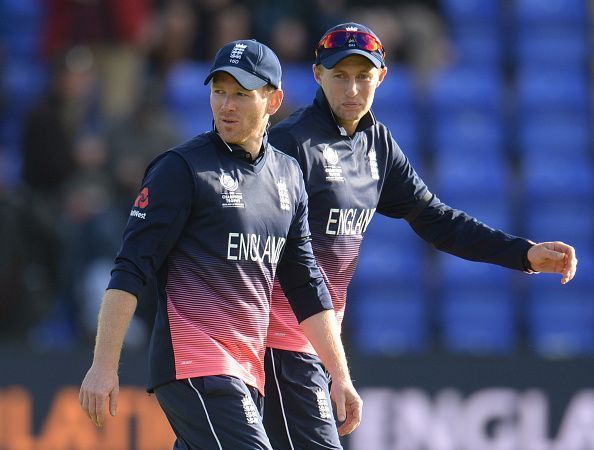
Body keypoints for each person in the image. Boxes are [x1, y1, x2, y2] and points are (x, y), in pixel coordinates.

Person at [263, 22, 578, 450]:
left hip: (315, 345)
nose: (352, 88)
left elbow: (436, 219)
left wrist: (523, 254)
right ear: (317, 75)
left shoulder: (377, 145)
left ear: (382, 77)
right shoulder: (290, 144)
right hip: (273, 343)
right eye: (339, 76)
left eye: (363, 76)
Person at [79, 39, 362, 449]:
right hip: (194, 363)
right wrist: (103, 365)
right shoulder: (181, 169)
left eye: (242, 95)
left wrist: (340, 375)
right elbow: (130, 268)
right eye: (219, 91)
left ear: (273, 100)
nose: (226, 105)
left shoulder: (289, 175)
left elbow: (305, 284)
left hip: (249, 369)